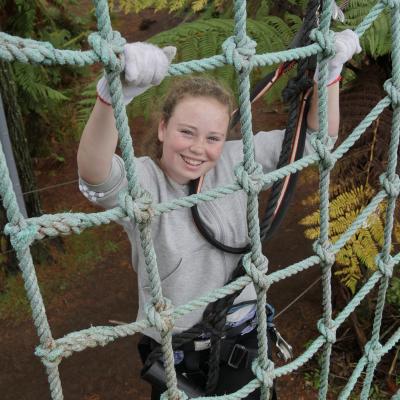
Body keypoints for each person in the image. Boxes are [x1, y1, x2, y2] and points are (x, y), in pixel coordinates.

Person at [77, 30, 361, 399]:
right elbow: (96, 175)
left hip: (242, 344)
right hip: (176, 356)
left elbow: (314, 141)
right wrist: (113, 96)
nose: (198, 148)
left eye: (213, 138)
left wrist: (329, 76)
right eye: (186, 132)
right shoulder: (145, 181)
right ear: (163, 128)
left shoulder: (235, 161)